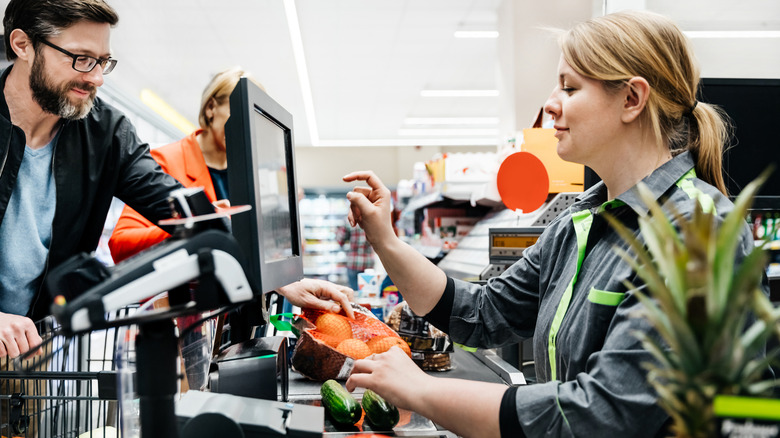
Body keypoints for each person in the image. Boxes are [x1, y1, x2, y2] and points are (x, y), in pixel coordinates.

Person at [342, 10, 760, 437]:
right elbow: (482, 312)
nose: (549, 104)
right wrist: (385, 239)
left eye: (570, 87)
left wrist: (422, 391)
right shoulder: (579, 224)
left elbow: (605, 411)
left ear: (632, 100)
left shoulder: (698, 235)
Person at [0, 0, 185, 358]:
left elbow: (175, 205)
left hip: (30, 350)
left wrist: (279, 275)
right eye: (81, 58)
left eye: (102, 62)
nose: (96, 77)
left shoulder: (106, 133)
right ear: (22, 45)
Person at [108, 66, 355, 318]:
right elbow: (121, 245)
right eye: (237, 112)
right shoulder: (166, 162)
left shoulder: (256, 173)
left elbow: (270, 252)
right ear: (211, 108)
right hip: (185, 317)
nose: (245, 127)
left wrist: (287, 218)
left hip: (239, 313)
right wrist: (203, 224)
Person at [335, 223, 375, 291]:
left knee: (354, 292)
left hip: (353, 262)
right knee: (368, 291)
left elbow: (340, 240)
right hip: (368, 263)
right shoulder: (371, 219)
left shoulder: (349, 221)